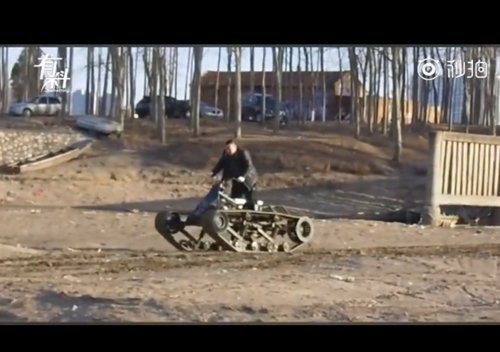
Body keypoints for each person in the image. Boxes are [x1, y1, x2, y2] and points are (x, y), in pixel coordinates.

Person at [211, 139, 258, 204]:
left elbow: (248, 166)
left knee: (249, 197)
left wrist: (243, 176)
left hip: (248, 179)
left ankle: (253, 208)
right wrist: (214, 173)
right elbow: (221, 164)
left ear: (235, 147)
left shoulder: (243, 153)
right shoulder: (226, 154)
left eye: (229, 149)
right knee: (233, 196)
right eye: (226, 149)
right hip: (234, 179)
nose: (228, 151)